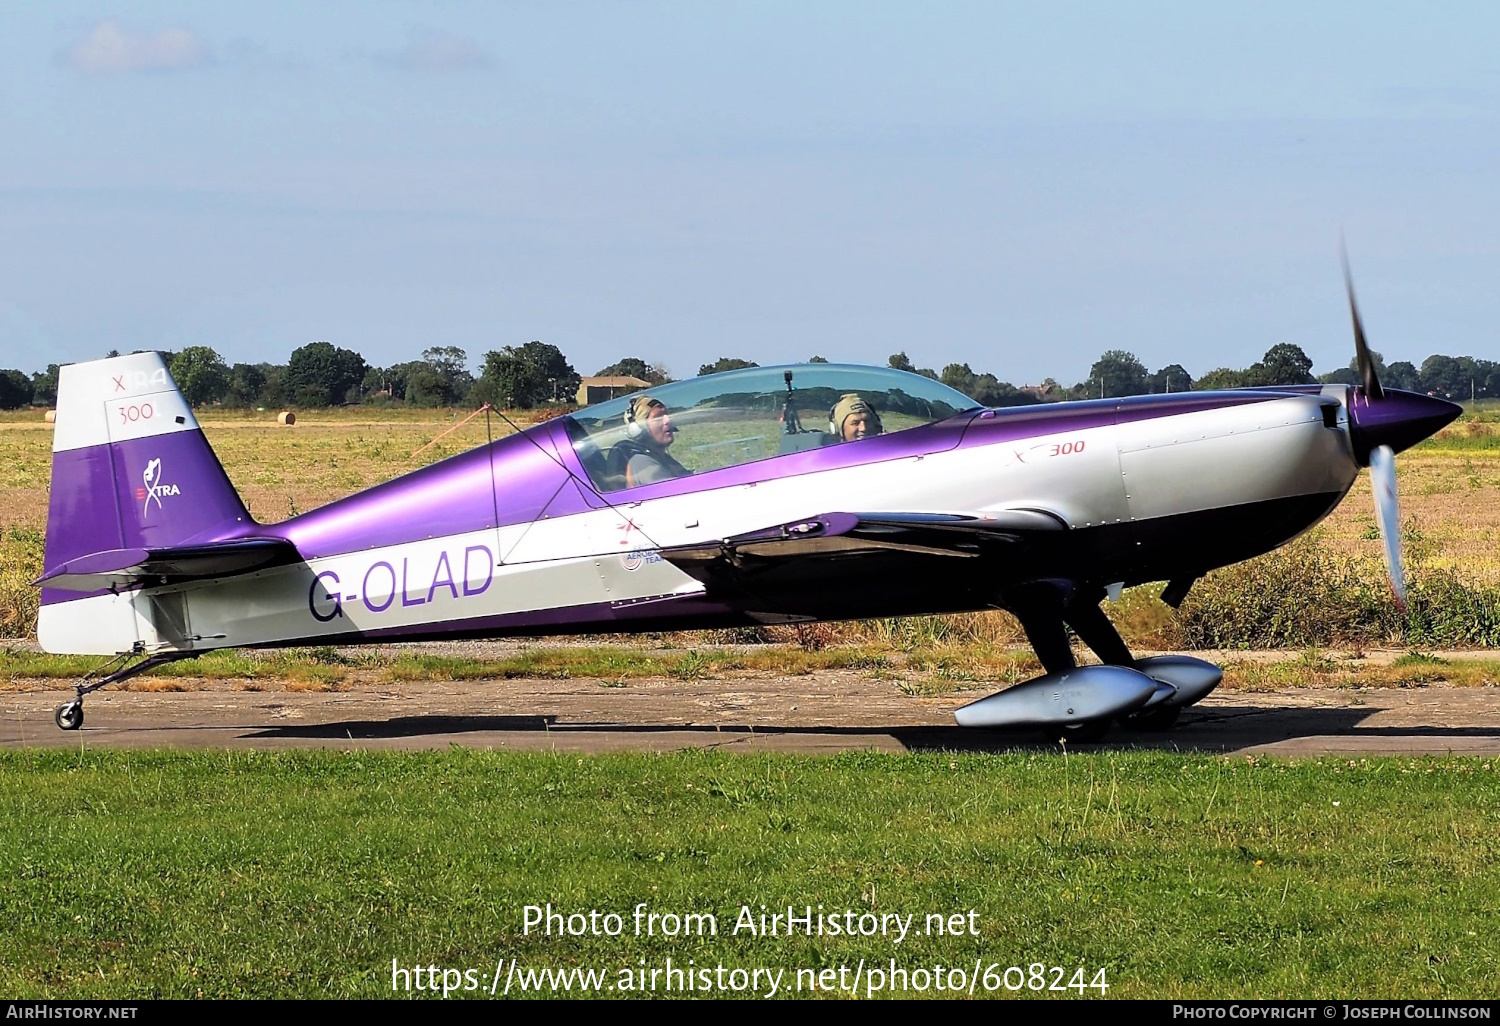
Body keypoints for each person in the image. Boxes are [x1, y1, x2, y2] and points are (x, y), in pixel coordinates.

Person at [612, 395, 690, 487]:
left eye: (666, 415)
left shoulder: (662, 458)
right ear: (639, 429)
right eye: (658, 417)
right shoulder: (643, 464)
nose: (667, 420)